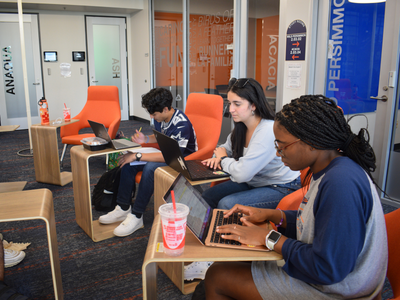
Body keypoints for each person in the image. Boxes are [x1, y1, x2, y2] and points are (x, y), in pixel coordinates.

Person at [202, 95, 388, 300]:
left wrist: (268, 238)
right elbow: (317, 223)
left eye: (282, 145)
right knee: (234, 258)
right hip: (329, 276)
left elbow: (327, 268)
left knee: (216, 277)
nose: (278, 152)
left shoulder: (341, 183)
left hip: (337, 287)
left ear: (311, 142)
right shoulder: (328, 168)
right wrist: (272, 215)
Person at [99, 87, 197, 237]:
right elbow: (160, 137)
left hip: (183, 161)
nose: (151, 117)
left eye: (154, 114)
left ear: (165, 109)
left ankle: (137, 216)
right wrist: (145, 139)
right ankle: (123, 207)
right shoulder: (162, 117)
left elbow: (171, 157)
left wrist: (138, 155)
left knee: (149, 167)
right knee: (128, 161)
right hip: (167, 154)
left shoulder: (181, 124)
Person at [201, 78, 301, 210]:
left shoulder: (267, 131)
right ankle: (205, 230)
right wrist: (217, 158)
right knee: (207, 196)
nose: (231, 109)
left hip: (281, 187)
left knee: (226, 204)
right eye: (229, 103)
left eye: (237, 104)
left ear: (253, 105)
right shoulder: (241, 127)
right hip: (254, 181)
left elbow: (242, 173)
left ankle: (221, 229)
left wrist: (223, 159)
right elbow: (224, 149)